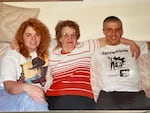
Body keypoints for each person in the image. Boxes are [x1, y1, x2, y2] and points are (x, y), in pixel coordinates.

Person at [44, 19, 140, 110]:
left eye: (73, 35)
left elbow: (111, 38)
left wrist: (131, 43)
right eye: (65, 35)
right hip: (55, 96)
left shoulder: (86, 47)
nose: (70, 38)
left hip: (81, 96)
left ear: (77, 37)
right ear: (59, 38)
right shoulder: (53, 54)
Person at [90, 16, 150, 110]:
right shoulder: (97, 51)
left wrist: (132, 43)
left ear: (122, 31)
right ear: (104, 31)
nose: (113, 34)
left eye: (117, 30)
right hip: (108, 95)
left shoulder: (134, 46)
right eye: (109, 30)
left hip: (135, 93)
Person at [0, 18, 50, 111]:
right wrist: (26, 87)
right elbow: (8, 86)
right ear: (21, 37)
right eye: (28, 35)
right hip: (5, 92)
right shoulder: (12, 54)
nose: (33, 38)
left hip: (32, 93)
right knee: (34, 100)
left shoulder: (44, 53)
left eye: (37, 34)